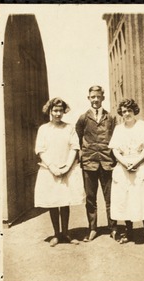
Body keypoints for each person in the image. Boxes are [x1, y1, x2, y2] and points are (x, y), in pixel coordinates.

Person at [108, 99, 144, 248]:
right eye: (124, 111)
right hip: (124, 167)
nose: (127, 114)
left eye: (129, 110)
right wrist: (125, 162)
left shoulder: (142, 126)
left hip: (141, 166)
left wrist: (137, 161)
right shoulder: (118, 129)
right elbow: (114, 149)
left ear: (134, 111)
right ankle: (129, 232)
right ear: (121, 113)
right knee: (126, 200)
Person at [34, 97, 85, 247]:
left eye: (60, 111)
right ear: (50, 111)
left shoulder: (69, 128)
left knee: (64, 201)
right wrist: (52, 167)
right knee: (53, 202)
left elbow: (74, 147)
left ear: (64, 111)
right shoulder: (44, 129)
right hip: (49, 170)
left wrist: (67, 167)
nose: (57, 114)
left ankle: (66, 233)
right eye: (55, 110)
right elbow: (40, 150)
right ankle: (56, 234)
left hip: (66, 170)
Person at [75, 85, 118, 242]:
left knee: (110, 197)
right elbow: (78, 138)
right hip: (89, 163)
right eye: (92, 97)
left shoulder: (111, 118)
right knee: (90, 198)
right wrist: (84, 155)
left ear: (102, 98)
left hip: (107, 162)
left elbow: (116, 137)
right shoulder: (83, 118)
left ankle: (113, 228)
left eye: (98, 97)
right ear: (89, 98)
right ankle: (92, 229)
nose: (95, 99)